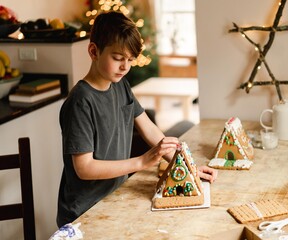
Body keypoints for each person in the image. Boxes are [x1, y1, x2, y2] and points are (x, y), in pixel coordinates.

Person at [56, 11, 218, 227]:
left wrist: (186, 167)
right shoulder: (80, 101)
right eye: (118, 58)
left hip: (114, 198)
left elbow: (149, 128)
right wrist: (141, 162)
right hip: (84, 212)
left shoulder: (120, 85)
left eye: (130, 60)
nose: (125, 67)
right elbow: (84, 168)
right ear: (94, 51)